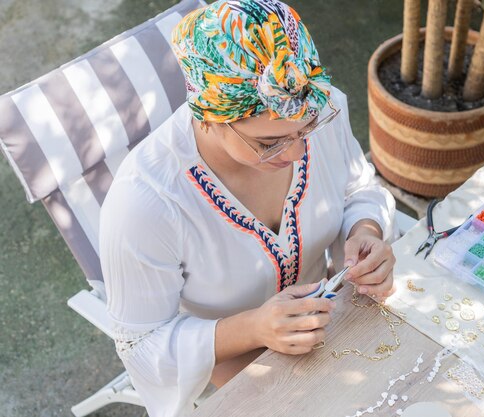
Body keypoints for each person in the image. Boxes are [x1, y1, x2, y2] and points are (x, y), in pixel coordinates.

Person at [100, 1, 396, 416]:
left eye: (306, 129)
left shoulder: (314, 107)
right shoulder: (147, 203)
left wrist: (366, 230)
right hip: (233, 359)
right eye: (268, 143)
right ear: (208, 117)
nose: (296, 152)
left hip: (333, 318)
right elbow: (142, 344)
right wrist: (255, 327)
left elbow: (356, 186)